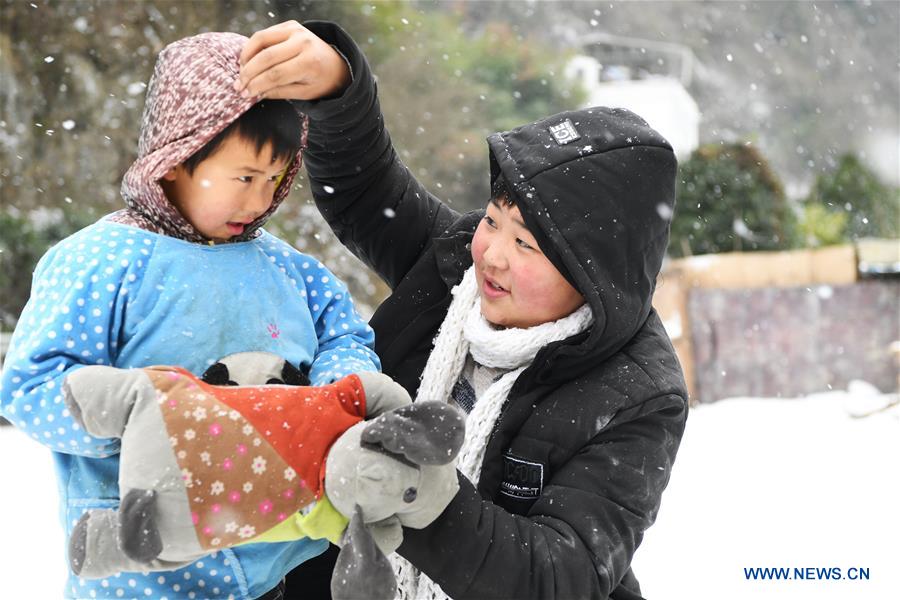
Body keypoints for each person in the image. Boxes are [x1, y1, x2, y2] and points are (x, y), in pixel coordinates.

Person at [234, 20, 690, 600]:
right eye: (493, 219)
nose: (490, 254)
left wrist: (420, 495)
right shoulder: (454, 267)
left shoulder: (638, 393)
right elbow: (366, 191)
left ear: (594, 277)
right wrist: (336, 87)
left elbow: (560, 576)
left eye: (525, 243)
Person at [0, 31, 380, 600]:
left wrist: (332, 397)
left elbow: (345, 339)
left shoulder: (290, 269)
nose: (259, 201)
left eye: (276, 180)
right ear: (176, 159)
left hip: (277, 555)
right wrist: (146, 422)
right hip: (145, 568)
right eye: (244, 178)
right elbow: (28, 389)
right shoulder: (98, 263)